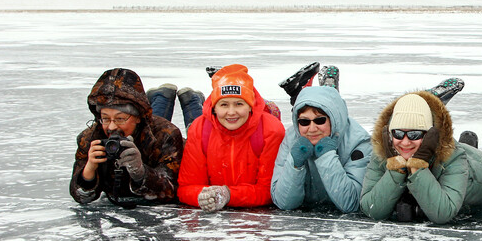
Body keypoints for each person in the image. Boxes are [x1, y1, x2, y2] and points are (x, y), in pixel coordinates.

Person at [360, 90, 482, 224]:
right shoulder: (385, 150)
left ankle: (469, 145)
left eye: (414, 134)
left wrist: (417, 165)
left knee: (464, 152)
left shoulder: (454, 157)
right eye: (398, 133)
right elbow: (371, 209)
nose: (404, 141)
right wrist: (396, 168)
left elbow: (442, 212)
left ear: (429, 135)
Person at [177, 64, 285, 212]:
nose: (231, 112)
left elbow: (270, 191)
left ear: (250, 105)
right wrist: (203, 197)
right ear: (214, 107)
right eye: (224, 105)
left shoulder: (271, 130)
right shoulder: (200, 129)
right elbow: (186, 188)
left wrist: (228, 195)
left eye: (239, 104)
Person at [70, 68, 184, 207]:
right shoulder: (90, 138)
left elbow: (172, 191)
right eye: (105, 119)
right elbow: (80, 196)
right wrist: (89, 170)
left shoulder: (166, 135)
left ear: (137, 117)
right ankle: (161, 95)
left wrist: (141, 173)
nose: (111, 127)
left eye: (120, 119)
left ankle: (167, 97)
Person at [271, 66, 373, 213]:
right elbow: (283, 203)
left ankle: (329, 93)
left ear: (332, 120)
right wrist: (295, 163)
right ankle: (327, 91)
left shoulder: (358, 142)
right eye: (304, 122)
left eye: (319, 121)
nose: (312, 128)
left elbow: (351, 203)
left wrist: (327, 156)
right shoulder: (292, 138)